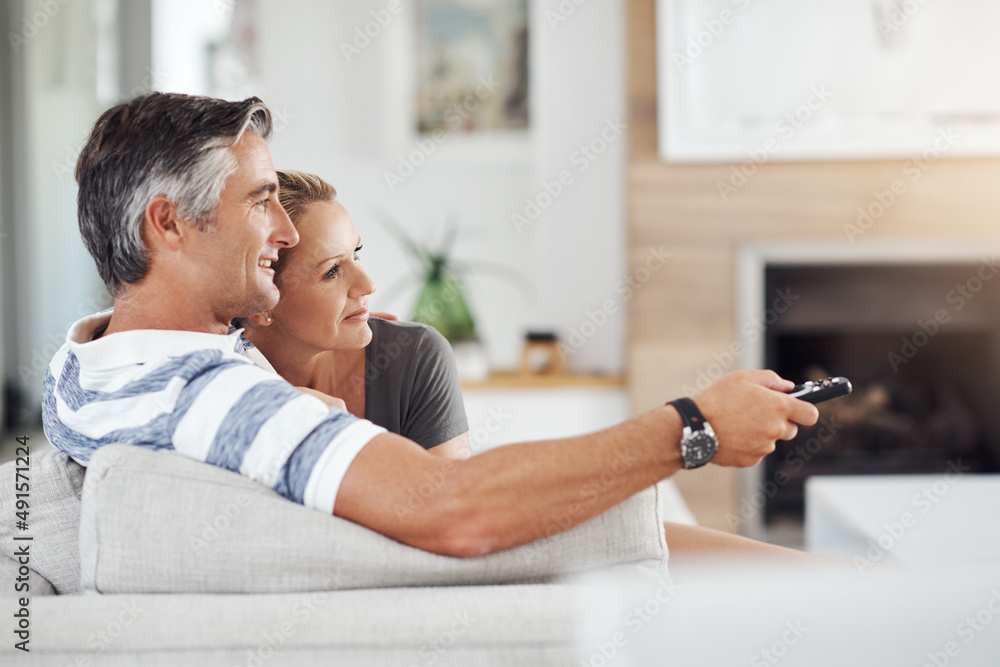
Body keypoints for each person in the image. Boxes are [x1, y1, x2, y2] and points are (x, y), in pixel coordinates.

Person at [43, 92, 819, 559]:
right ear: (168, 225)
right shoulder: (220, 401)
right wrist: (694, 425)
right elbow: (455, 509)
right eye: (259, 200)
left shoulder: (82, 364)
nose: (281, 232)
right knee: (633, 529)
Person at [235, 170, 471, 460]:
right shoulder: (220, 380)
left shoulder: (416, 358)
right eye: (332, 271)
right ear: (262, 304)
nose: (368, 285)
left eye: (355, 253)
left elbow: (450, 499)